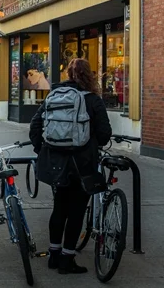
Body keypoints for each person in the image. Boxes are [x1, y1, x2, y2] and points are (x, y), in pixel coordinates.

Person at [30, 58, 112, 275]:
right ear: (90, 75)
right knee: (76, 211)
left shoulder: (54, 96)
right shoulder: (93, 100)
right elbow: (104, 134)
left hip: (56, 163)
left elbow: (35, 126)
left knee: (59, 208)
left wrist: (44, 150)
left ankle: (54, 255)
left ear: (68, 73)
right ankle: (67, 259)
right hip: (82, 164)